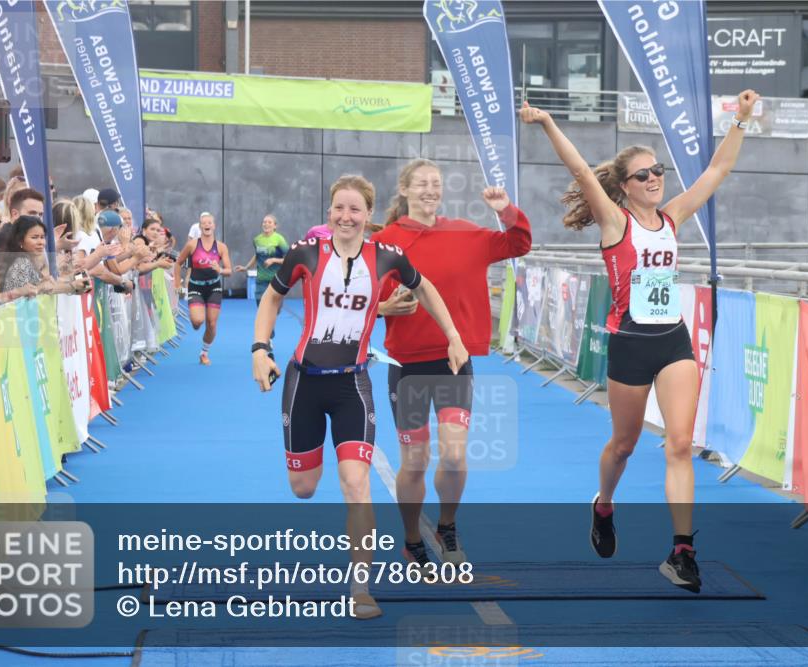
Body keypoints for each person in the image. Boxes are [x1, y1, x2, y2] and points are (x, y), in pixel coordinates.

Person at [520, 90, 760, 593]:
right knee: (624, 445)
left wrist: (740, 119)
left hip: (673, 340)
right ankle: (604, 504)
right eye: (643, 175)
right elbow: (581, 170)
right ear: (625, 187)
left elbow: (716, 172)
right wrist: (546, 123)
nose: (654, 179)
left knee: (680, 443)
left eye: (658, 171)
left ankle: (682, 551)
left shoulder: (672, 217)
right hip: (630, 343)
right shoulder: (616, 222)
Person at [251, 175, 468, 620]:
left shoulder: (387, 256)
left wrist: (452, 335)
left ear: (369, 215)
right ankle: (310, 466)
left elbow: (424, 287)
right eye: (339, 208)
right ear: (329, 211)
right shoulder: (305, 252)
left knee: (356, 484)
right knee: (304, 488)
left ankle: (361, 589)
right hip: (304, 383)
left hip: (353, 385)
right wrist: (260, 349)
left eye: (355, 209)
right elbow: (272, 298)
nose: (345, 216)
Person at [371, 159, 532, 567]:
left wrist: (505, 210)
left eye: (436, 183)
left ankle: (447, 526)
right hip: (406, 365)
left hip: (453, 363)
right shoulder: (385, 242)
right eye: (421, 183)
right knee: (415, 462)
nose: (430, 190)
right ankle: (412, 539)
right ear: (404, 190)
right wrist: (384, 307)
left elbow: (518, 244)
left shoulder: (465, 233)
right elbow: (361, 298)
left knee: (456, 455)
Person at [174, 212, 231, 365]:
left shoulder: (221, 247)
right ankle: (196, 320)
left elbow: (229, 271)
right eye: (204, 223)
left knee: (211, 324)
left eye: (209, 223)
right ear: (200, 227)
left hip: (214, 287)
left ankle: (204, 353)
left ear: (214, 226)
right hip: (196, 286)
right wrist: (177, 284)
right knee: (197, 322)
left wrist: (220, 270)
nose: (207, 225)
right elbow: (178, 263)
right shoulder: (192, 245)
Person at [0, 215, 90, 296]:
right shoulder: (21, 263)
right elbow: (29, 295)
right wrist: (72, 286)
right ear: (20, 241)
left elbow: (45, 287)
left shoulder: (30, 261)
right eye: (34, 237)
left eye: (42, 237)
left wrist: (71, 279)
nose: (41, 242)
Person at [234, 214, 289, 308]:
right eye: (264, 222)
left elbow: (288, 259)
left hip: (276, 280)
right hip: (261, 280)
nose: (266, 224)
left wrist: (273, 260)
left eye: (269, 222)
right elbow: (257, 255)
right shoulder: (257, 240)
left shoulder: (279, 239)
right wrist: (246, 267)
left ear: (275, 226)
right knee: (261, 308)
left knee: (274, 309)